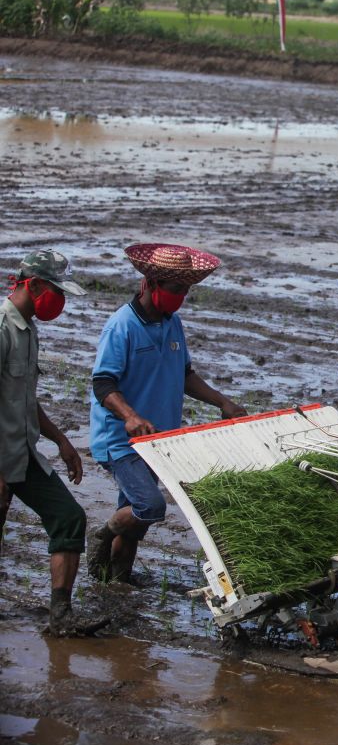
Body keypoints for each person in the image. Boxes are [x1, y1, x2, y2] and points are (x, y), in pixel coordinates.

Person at [87, 244, 246, 584]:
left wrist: (223, 402)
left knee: (133, 515)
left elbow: (185, 374)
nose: (180, 297)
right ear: (150, 284)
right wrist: (129, 416)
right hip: (122, 441)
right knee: (149, 507)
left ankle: (116, 579)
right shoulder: (122, 326)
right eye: (175, 290)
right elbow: (103, 383)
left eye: (185, 291)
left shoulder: (172, 325)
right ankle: (99, 536)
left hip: (158, 439)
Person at [1, 250, 108, 637]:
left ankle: (60, 617)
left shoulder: (28, 330)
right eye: (56, 291)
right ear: (34, 285)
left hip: (21, 451)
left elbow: (24, 399)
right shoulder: (1, 327)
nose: (59, 301)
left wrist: (61, 440)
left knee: (68, 516)